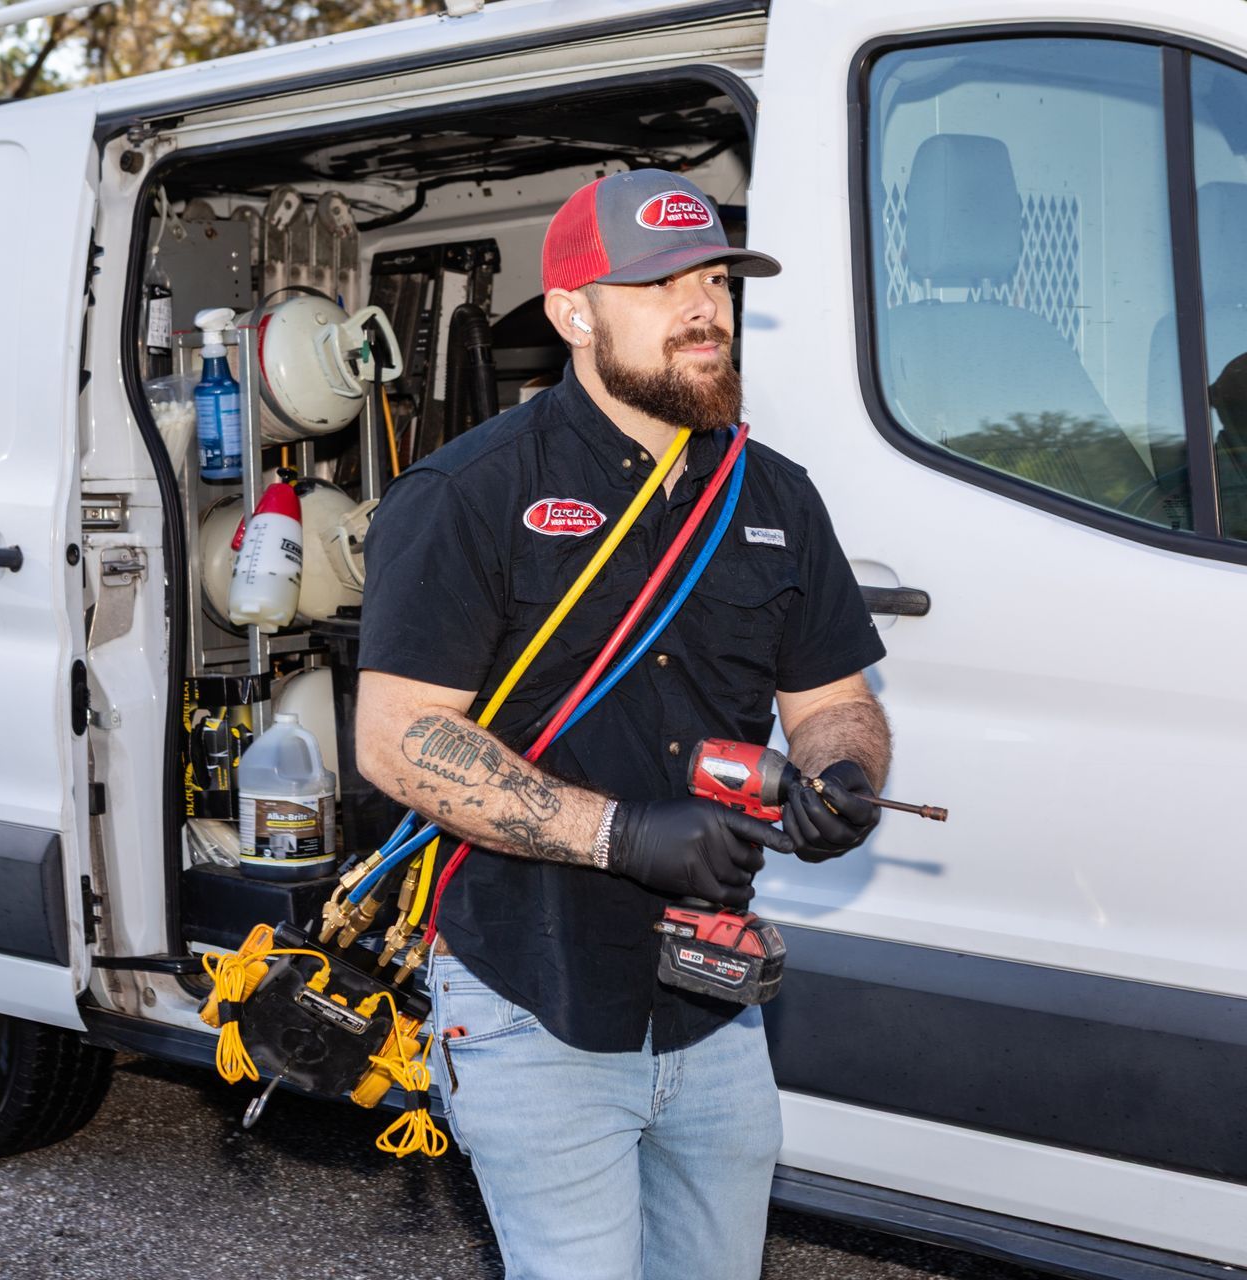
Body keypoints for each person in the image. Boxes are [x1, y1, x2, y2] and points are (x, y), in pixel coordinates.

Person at [355, 168, 891, 1280]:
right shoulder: (471, 492)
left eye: (715, 279)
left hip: (712, 1004)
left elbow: (837, 700)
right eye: (659, 284)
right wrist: (622, 833)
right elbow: (399, 735)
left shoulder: (774, 495)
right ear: (574, 313)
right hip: (527, 998)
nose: (704, 308)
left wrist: (843, 778)